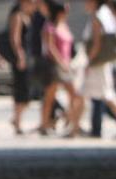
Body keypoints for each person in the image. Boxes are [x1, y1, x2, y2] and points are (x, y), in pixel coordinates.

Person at [82, 0, 116, 139]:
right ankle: (82, 127)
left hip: (102, 63)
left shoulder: (100, 16)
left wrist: (89, 61)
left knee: (108, 96)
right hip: (106, 63)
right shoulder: (106, 15)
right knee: (103, 96)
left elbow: (98, 42)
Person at [40, 1, 83, 137]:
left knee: (75, 95)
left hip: (66, 66)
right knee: (50, 96)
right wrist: (61, 63)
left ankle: (71, 121)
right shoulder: (49, 26)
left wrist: (69, 63)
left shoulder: (64, 25)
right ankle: (44, 124)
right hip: (54, 66)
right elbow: (50, 47)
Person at [8, 0, 36, 135]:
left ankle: (16, 119)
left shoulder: (27, 16)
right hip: (21, 59)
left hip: (27, 57)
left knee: (26, 92)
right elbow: (15, 38)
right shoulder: (17, 16)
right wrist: (20, 56)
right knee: (21, 91)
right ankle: (17, 123)